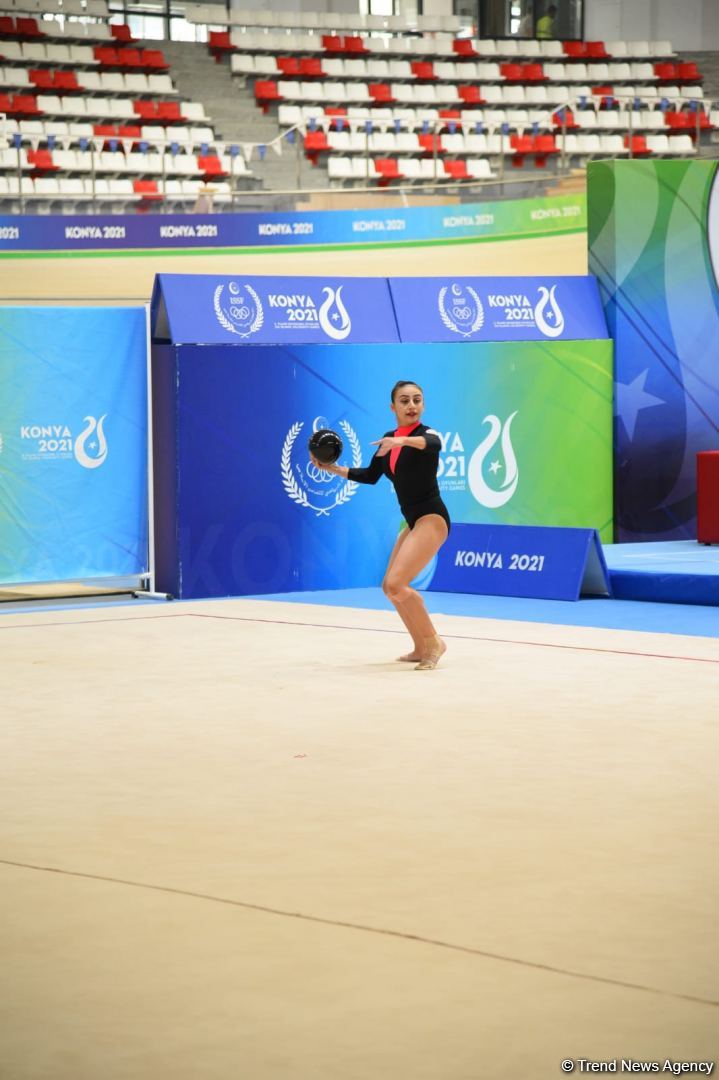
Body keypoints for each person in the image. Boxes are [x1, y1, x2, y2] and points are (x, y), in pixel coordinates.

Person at [310, 381, 450, 671]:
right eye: (404, 401)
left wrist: (403, 441)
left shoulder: (426, 435)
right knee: (390, 587)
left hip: (432, 518)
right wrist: (332, 469)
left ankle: (434, 642)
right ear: (393, 407)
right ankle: (420, 646)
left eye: (417, 400)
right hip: (413, 522)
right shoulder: (389, 439)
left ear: (423, 404)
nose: (411, 405)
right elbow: (371, 475)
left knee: (399, 583)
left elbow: (435, 444)